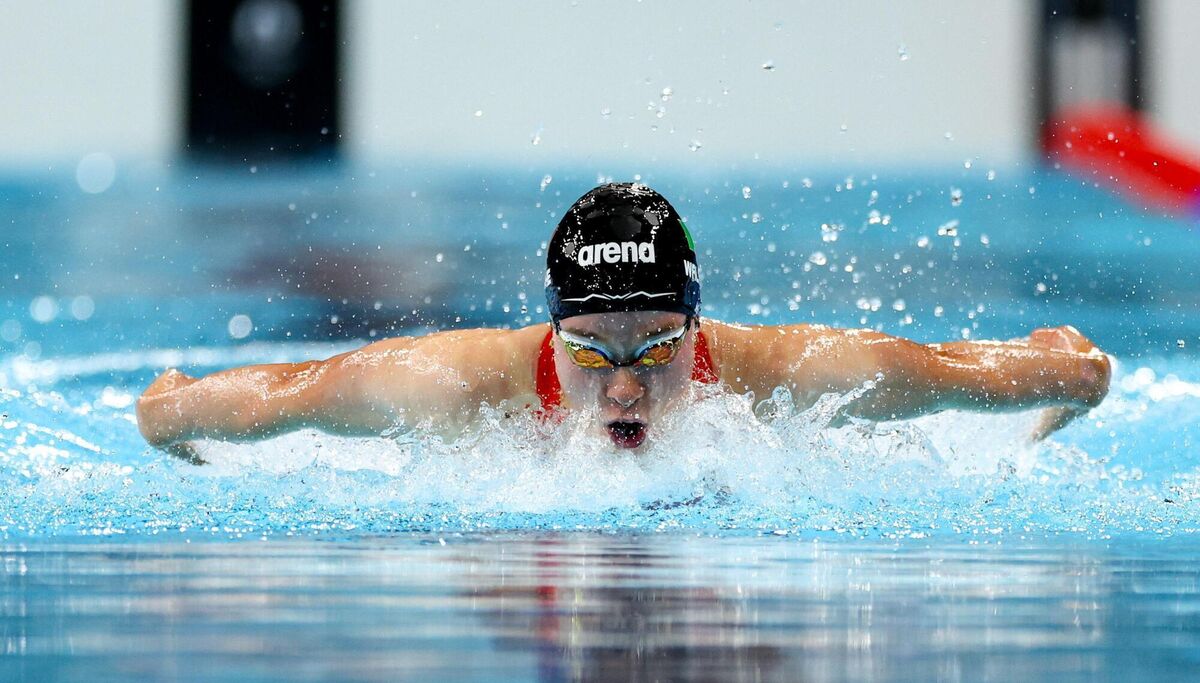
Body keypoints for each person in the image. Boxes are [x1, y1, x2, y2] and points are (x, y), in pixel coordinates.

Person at [137, 183, 1111, 459]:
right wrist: (170, 413)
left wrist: (1062, 378)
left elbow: (1021, 369)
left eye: (655, 344)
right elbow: (272, 397)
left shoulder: (797, 374)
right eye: (593, 350)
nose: (627, 384)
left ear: (699, 324)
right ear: (549, 329)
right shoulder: (457, 382)